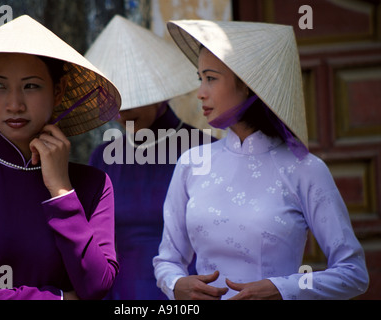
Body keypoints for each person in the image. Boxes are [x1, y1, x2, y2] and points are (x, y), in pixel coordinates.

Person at [153, 20, 369, 300]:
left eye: (211, 78)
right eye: (200, 78)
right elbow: (167, 260)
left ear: (248, 84)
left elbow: (353, 272)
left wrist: (284, 288)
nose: (200, 93)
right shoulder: (191, 164)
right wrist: (175, 284)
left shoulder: (305, 169)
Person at [0, 15, 121, 300]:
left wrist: (61, 190)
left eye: (31, 86)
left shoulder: (93, 184)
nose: (14, 104)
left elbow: (96, 286)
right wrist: (56, 298)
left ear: (58, 92)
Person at [87, 15, 215, 299]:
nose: (122, 113)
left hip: (191, 294)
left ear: (160, 90)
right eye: (113, 101)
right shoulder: (104, 158)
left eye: (134, 97)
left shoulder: (206, 151)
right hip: (120, 295)